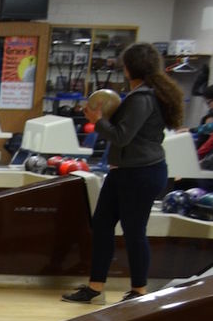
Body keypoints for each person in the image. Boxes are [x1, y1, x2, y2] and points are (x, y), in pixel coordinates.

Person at [62, 42, 184, 304]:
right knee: (103, 226)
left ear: (129, 68)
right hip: (126, 173)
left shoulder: (143, 98)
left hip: (140, 174)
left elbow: (121, 136)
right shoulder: (143, 96)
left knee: (133, 231)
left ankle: (139, 291)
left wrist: (98, 120)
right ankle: (95, 287)